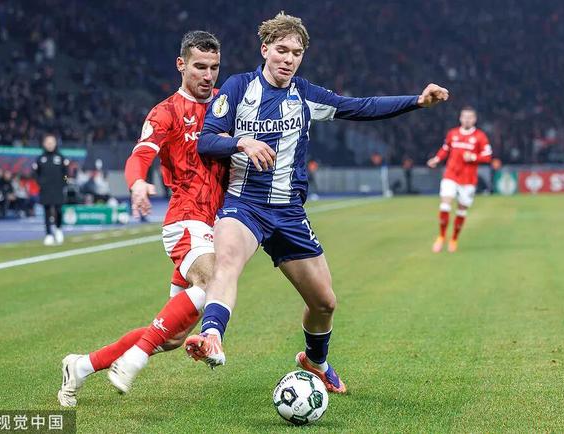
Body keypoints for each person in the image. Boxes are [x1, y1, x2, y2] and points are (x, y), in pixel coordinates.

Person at [185, 12, 448, 394]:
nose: (289, 59)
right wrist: (241, 142)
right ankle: (212, 337)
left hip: (289, 213)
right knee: (226, 263)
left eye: (296, 53)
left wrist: (417, 102)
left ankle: (315, 361)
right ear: (265, 49)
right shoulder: (239, 87)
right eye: (282, 50)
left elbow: (359, 106)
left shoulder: (305, 95)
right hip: (245, 205)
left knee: (324, 303)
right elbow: (207, 141)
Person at [58, 31, 228, 406]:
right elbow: (140, 155)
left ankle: (81, 366)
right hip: (185, 220)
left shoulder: (224, 105)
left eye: (214, 67)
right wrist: (136, 184)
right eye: (200, 67)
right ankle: (135, 359)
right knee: (214, 278)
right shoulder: (165, 112)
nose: (208, 75)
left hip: (215, 224)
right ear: (181, 65)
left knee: (172, 338)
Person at [427, 106, 492, 253]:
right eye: (464, 117)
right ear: (460, 118)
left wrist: (473, 157)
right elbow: (445, 149)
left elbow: (488, 156)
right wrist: (436, 159)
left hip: (468, 179)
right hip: (451, 175)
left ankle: (454, 239)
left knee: (462, 209)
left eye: (470, 117)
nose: (467, 119)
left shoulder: (480, 136)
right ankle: (441, 237)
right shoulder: (452, 133)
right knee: (445, 204)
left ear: (474, 119)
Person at [33, 134, 69, 245]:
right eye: (48, 142)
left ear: (55, 143)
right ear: (44, 144)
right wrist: (40, 183)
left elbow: (66, 173)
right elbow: (35, 173)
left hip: (58, 188)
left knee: (58, 210)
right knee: (47, 211)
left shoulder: (61, 157)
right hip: (45, 189)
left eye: (52, 142)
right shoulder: (40, 159)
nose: (50, 145)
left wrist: (64, 183)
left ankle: (58, 229)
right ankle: (48, 234)